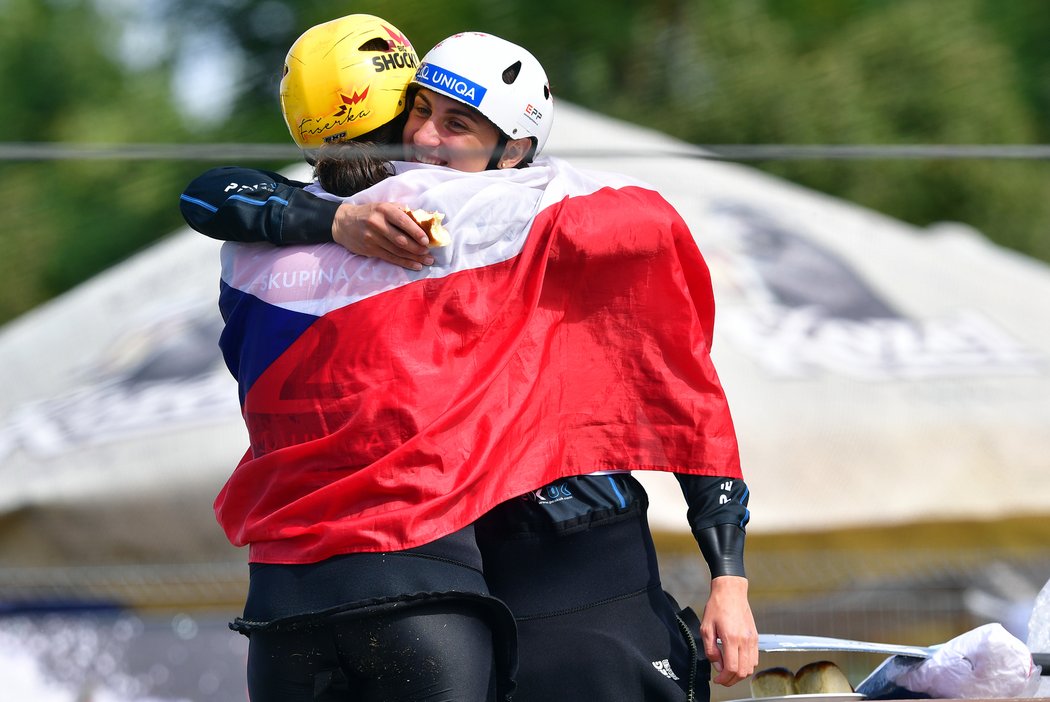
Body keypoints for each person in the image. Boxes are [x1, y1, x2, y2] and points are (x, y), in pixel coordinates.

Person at [182, 23, 758, 702]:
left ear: (513, 150)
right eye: (419, 111)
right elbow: (217, 192)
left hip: (549, 566)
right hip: (455, 582)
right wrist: (338, 222)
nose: (425, 138)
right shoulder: (436, 212)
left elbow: (207, 194)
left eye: (456, 123)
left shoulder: (259, 247)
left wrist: (728, 577)